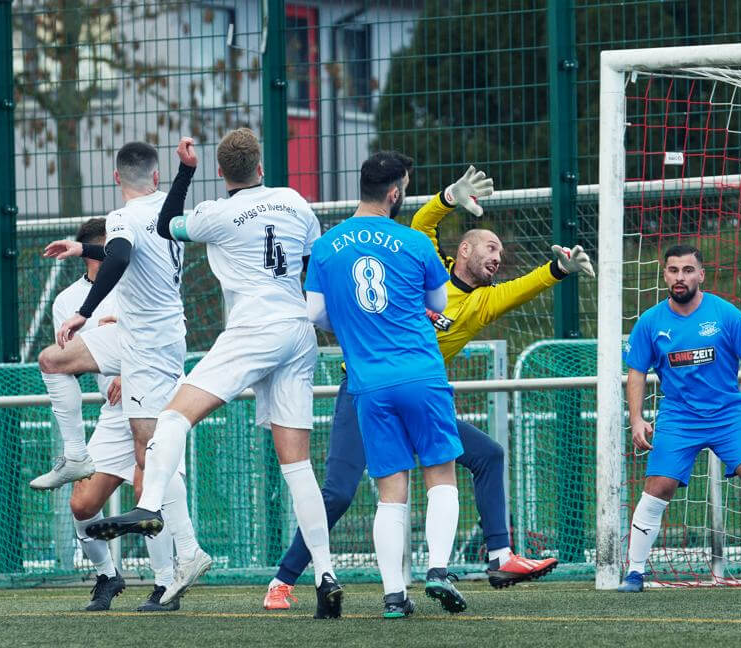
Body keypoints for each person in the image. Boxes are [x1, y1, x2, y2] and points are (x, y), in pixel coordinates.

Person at [265, 166, 594, 609]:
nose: (498, 256)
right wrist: (448, 197)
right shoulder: (424, 261)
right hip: (365, 386)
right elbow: (420, 224)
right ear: (463, 249)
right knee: (341, 491)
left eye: (501, 250)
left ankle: (499, 557)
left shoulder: (482, 301)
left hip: (416, 388)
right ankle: (284, 578)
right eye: (490, 246)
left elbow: (522, 287)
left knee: (487, 455)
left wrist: (556, 269)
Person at [86, 129, 343, 619]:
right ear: (261, 167)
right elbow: (312, 266)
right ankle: (326, 576)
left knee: (172, 418)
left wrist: (186, 172)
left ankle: (150, 507)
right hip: (298, 331)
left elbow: (167, 224)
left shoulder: (216, 214)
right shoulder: (295, 201)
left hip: (254, 330)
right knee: (298, 468)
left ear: (221, 173)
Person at [39, 142, 203, 607]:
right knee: (53, 359)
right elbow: (124, 248)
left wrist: (85, 311)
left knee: (149, 457)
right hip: (137, 337)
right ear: (155, 178)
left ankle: (185, 556)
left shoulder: (122, 218)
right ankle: (76, 455)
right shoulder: (167, 212)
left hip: (150, 348)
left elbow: (121, 256)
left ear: (116, 178)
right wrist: (186, 172)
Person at [303, 151, 464, 619]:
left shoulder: (327, 246)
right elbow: (438, 302)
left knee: (390, 491)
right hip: (421, 373)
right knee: (441, 475)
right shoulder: (414, 241)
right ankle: (438, 569)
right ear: (394, 193)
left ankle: (394, 595)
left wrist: (352, 323)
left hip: (368, 383)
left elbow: (316, 313)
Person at [620, 244, 741, 593]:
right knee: (658, 486)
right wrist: (636, 419)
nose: (679, 277)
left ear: (701, 275)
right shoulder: (650, 322)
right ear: (665, 275)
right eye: (673, 270)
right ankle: (635, 572)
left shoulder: (726, 315)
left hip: (729, 413)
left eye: (687, 270)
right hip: (679, 416)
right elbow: (636, 372)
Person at [43, 217, 179, 612]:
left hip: (155, 400)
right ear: (98, 251)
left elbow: (172, 329)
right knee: (82, 505)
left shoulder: (143, 281)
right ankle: (107, 575)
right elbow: (70, 360)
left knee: (146, 492)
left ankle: (165, 585)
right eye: (116, 245)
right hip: (114, 412)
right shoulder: (66, 302)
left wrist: (128, 369)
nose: (125, 251)